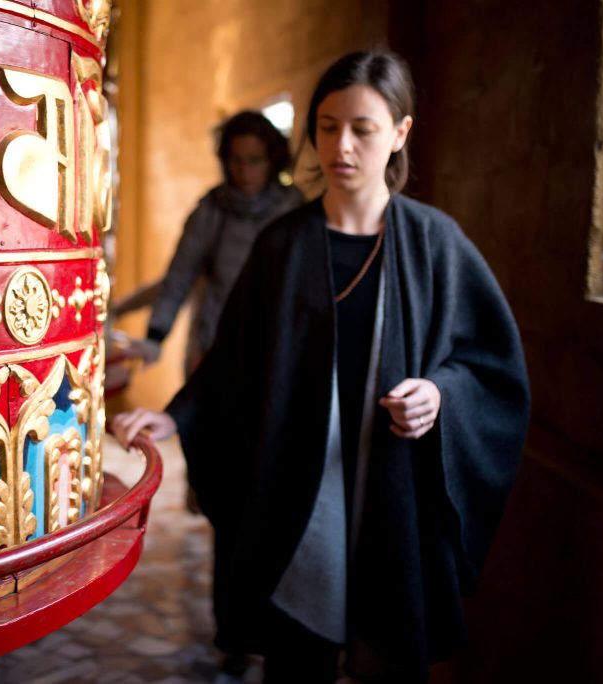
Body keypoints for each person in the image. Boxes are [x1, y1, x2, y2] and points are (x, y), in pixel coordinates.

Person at [111, 50, 530, 683]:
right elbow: (235, 359)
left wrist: (441, 395)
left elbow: (491, 367)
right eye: (328, 126)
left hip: (394, 492)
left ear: (400, 133)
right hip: (298, 492)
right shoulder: (282, 245)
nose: (343, 145)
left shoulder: (434, 243)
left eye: (363, 128)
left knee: (388, 653)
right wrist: (178, 417)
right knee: (296, 656)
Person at [130, 110, 304, 372]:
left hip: (277, 347)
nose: (244, 171)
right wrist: (156, 335)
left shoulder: (293, 210)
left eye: (254, 160)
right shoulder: (211, 210)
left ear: (272, 160)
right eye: (236, 160)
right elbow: (179, 276)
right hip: (218, 346)